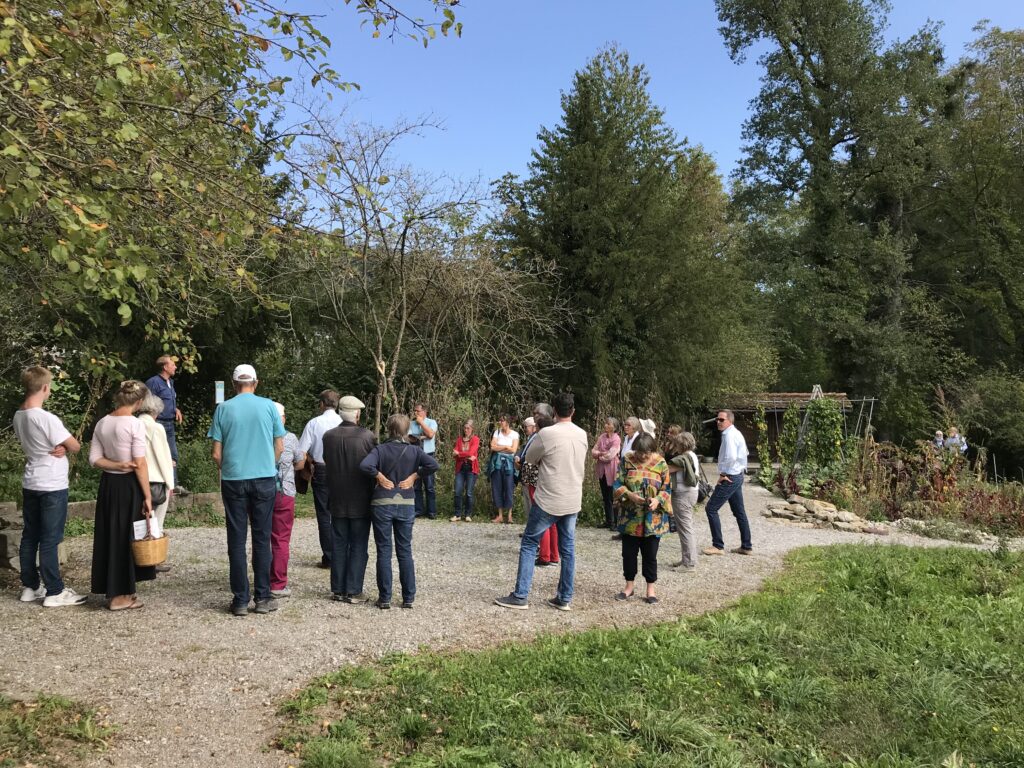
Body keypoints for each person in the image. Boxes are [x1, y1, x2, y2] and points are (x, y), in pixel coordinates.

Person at [495, 392, 588, 611]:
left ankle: (521, 595)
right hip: (572, 498)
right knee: (568, 550)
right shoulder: (582, 434)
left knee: (529, 543)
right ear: (573, 411)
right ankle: (564, 598)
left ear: (554, 411)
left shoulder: (546, 434)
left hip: (549, 498)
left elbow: (529, 458)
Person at [208, 364, 285, 616]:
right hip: (264, 478)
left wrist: (231, 468)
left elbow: (216, 453)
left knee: (236, 539)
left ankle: (240, 599)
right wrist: (268, 465)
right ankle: (263, 597)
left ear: (234, 384)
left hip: (234, 480)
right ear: (256, 382)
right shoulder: (269, 407)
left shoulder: (223, 409)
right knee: (262, 538)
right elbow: (280, 446)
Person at [13, 366, 86, 607]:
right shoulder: (46, 418)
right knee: (50, 538)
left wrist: (60, 446)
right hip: (52, 483)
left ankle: (30, 586)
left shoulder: (19, 416)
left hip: (31, 480)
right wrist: (65, 446)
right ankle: (55, 591)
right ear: (45, 388)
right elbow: (75, 445)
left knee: (30, 536)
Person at [359, 414, 439, 609]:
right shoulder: (414, 450)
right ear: (407, 431)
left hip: (382, 503)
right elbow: (433, 465)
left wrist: (379, 476)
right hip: (406, 502)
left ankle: (385, 598)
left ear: (389, 429)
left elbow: (365, 465)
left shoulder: (380, 449)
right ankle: (408, 597)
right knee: (405, 550)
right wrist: (414, 476)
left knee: (384, 551)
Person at [89, 380, 155, 611]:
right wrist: (147, 495)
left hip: (108, 484)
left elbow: (94, 459)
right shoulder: (135, 424)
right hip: (128, 485)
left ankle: (116, 590)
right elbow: (140, 463)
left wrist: (116, 465)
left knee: (111, 534)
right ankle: (120, 597)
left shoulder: (103, 422)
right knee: (127, 536)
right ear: (139, 401)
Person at [322, 396, 377, 603]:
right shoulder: (367, 436)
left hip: (336, 497)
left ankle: (338, 589)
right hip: (361, 499)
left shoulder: (328, 437)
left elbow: (326, 460)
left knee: (338, 543)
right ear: (357, 414)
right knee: (358, 545)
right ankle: (353, 590)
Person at [613, 432, 672, 604]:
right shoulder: (627, 460)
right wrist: (630, 495)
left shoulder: (661, 463)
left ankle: (650, 589)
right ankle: (629, 587)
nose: (643, 456)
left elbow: (667, 488)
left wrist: (657, 500)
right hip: (630, 518)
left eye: (646, 453)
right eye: (639, 452)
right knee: (628, 554)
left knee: (650, 555)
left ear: (652, 450)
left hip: (653, 519)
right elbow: (617, 483)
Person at [298, 390, 342, 568]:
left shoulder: (314, 423)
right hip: (343, 470)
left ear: (322, 404)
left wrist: (306, 463)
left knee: (324, 515)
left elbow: (301, 451)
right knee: (341, 513)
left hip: (321, 469)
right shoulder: (343, 422)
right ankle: (342, 554)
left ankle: (329, 557)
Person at [702, 410, 752, 556]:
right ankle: (746, 546)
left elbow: (731, 457)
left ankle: (718, 546)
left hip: (731, 476)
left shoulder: (729, 435)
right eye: (717, 419)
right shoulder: (734, 433)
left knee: (711, 508)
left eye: (721, 420)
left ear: (730, 421)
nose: (718, 422)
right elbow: (745, 453)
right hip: (737, 475)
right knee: (739, 512)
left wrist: (723, 474)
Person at [270, 402, 305, 599]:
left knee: (261, 537)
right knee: (281, 539)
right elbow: (300, 463)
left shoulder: (259, 437)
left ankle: (261, 579)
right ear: (282, 419)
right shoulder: (290, 438)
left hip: (260, 492)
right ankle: (277, 583)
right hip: (285, 492)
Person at [138, 391, 175, 573]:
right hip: (157, 479)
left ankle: (140, 555)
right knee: (156, 521)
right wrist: (170, 483)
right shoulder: (156, 428)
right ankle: (154, 559)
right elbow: (163, 457)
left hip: (138, 478)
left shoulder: (134, 424)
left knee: (140, 520)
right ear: (157, 411)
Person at [144, 355, 185, 493]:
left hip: (169, 423)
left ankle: (173, 485)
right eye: (172, 364)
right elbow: (148, 403)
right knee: (158, 454)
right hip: (157, 423)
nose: (175, 367)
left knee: (173, 455)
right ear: (165, 367)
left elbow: (167, 401)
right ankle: (157, 486)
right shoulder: (153, 382)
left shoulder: (170, 382)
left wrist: (176, 409)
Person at [666, 430, 700, 571]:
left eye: (677, 444)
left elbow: (667, 469)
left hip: (683, 495)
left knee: (685, 529)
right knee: (684, 527)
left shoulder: (684, 458)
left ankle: (689, 563)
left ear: (681, 444)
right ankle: (686, 559)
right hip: (689, 493)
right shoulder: (692, 455)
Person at [591, 417, 621, 529]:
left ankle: (614, 522)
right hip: (602, 469)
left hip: (612, 469)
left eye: (608, 424)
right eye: (606, 423)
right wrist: (601, 453)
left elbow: (610, 455)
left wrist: (600, 454)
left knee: (611, 495)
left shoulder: (616, 439)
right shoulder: (602, 437)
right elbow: (593, 452)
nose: (606, 425)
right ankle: (608, 521)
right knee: (605, 496)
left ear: (614, 427)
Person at [489, 414, 519, 524]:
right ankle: (500, 515)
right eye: (500, 420)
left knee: (509, 487)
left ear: (507, 422)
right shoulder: (497, 432)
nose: (500, 422)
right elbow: (492, 447)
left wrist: (500, 448)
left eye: (502, 420)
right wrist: (506, 447)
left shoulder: (515, 434)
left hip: (509, 464)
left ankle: (509, 515)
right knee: (497, 487)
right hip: (497, 463)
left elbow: (513, 450)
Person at [410, 403, 438, 519]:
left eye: (418, 411)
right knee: (416, 485)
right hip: (415, 456)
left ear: (424, 412)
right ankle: (419, 510)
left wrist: (421, 423)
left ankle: (431, 511)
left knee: (429, 485)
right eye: (415, 411)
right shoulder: (411, 424)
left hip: (428, 455)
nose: (415, 413)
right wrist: (421, 436)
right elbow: (410, 438)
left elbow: (430, 434)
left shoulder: (432, 422)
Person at [451, 419, 480, 522]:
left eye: (468, 428)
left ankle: (468, 514)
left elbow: (471, 452)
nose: (466, 430)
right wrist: (466, 455)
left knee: (469, 493)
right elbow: (454, 455)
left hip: (471, 468)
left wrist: (459, 454)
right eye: (465, 428)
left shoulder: (475, 439)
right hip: (460, 468)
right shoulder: (459, 440)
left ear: (472, 429)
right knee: (458, 491)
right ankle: (457, 514)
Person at [514, 416, 537, 520]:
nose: (524, 429)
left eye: (526, 427)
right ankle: (529, 525)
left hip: (530, 475)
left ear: (533, 427)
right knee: (527, 503)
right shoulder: (530, 438)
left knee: (531, 503)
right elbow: (523, 449)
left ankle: (531, 526)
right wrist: (517, 457)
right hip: (524, 474)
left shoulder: (536, 438)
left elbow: (529, 454)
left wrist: (520, 461)